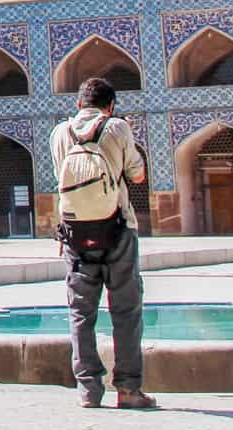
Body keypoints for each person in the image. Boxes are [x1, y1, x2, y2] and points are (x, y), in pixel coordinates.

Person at [50, 76, 155, 410]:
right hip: (118, 227)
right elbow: (137, 174)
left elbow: (59, 177)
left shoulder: (59, 133)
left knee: (80, 311)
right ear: (110, 106)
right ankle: (128, 389)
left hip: (75, 233)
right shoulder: (117, 127)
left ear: (79, 104)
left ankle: (89, 390)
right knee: (125, 309)